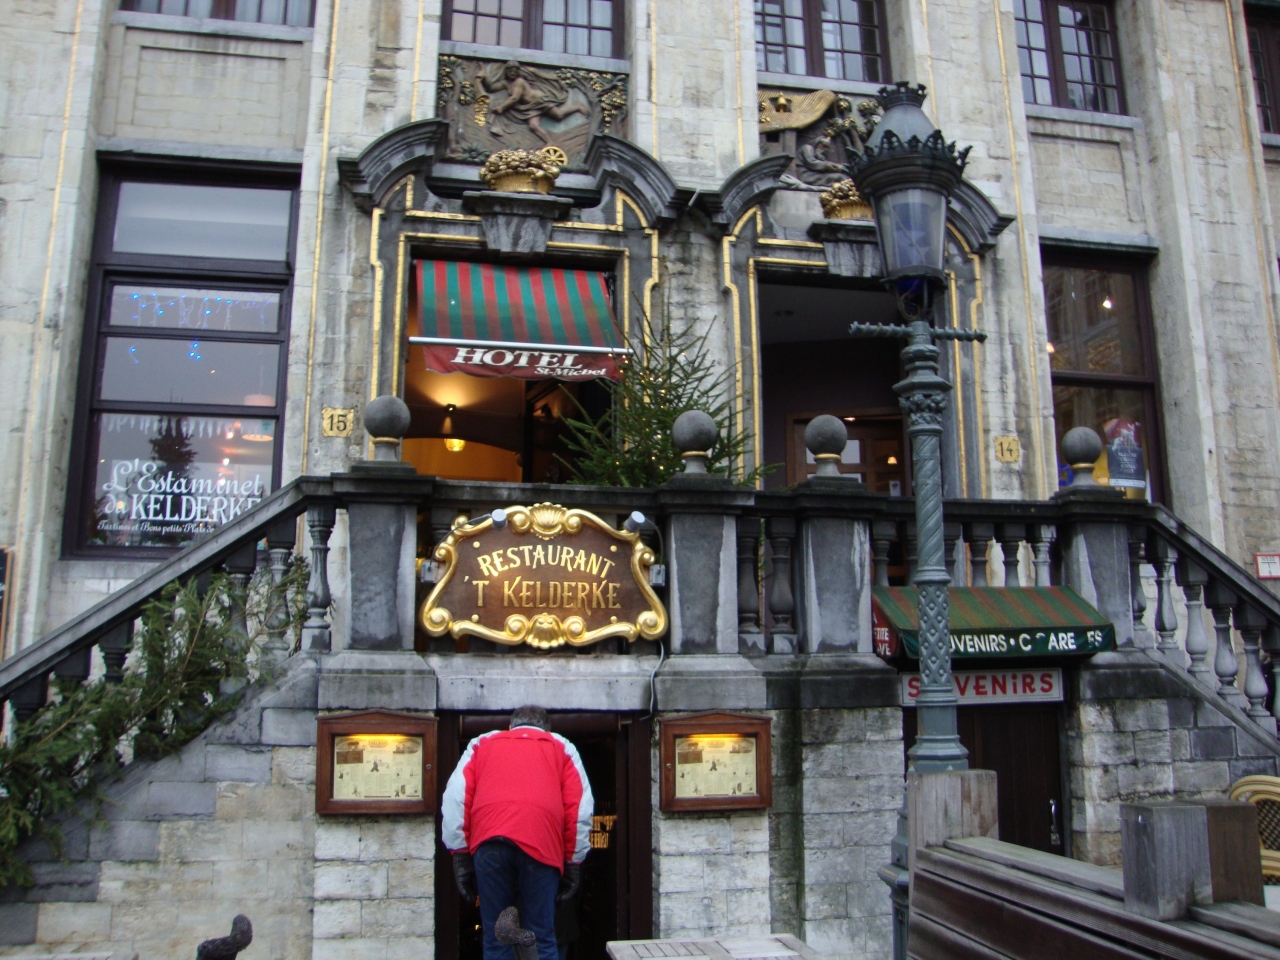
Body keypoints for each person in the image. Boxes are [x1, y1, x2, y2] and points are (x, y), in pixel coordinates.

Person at [442, 706, 593, 960]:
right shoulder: (561, 746)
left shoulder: (482, 743)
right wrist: (573, 861)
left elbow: (456, 798)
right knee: (541, 937)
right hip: (541, 844)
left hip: (490, 842)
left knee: (496, 937)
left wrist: (460, 853)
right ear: (547, 730)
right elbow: (578, 809)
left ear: (510, 727)